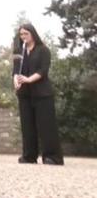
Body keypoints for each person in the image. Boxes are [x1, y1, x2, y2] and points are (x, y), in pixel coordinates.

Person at [14, 23, 64, 165]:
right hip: (25, 94)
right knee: (27, 126)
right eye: (21, 34)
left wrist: (28, 79)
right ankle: (29, 156)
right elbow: (15, 70)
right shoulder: (19, 51)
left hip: (42, 93)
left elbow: (43, 70)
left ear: (33, 34)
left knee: (46, 125)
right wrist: (16, 81)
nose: (23, 37)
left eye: (26, 34)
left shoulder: (43, 50)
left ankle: (52, 157)